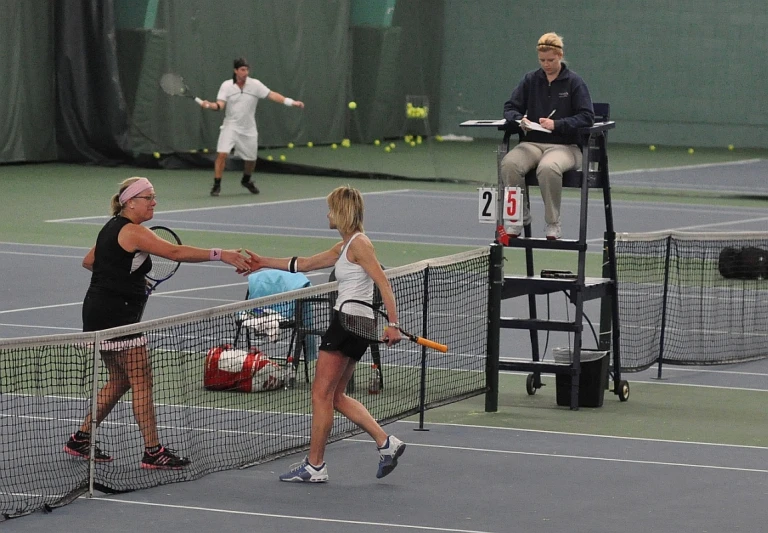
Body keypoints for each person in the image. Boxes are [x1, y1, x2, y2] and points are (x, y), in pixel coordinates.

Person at [64, 177, 251, 470]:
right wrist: (221, 254)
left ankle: (81, 438)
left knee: (121, 379)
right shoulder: (133, 232)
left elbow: (90, 261)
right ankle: (153, 451)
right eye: (148, 197)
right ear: (130, 202)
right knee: (142, 380)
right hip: (117, 316)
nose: (154, 202)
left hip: (98, 311)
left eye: (154, 197)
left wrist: (127, 281)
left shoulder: (111, 228)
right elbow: (175, 253)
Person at [244, 186, 405, 483]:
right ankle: (386, 444)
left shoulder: (359, 245)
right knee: (337, 396)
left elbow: (384, 283)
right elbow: (302, 264)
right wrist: (262, 262)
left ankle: (315, 465)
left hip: (347, 323)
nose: (327, 214)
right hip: (360, 327)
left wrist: (393, 324)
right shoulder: (344, 247)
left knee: (320, 394)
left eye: (331, 208)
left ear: (341, 212)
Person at [500, 32, 594, 240]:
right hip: (532, 143)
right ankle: (516, 219)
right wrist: (519, 120)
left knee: (548, 167)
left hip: (565, 147)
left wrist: (558, 124)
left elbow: (587, 116)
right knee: (509, 164)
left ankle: (553, 223)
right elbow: (510, 107)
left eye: (550, 60)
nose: (546, 64)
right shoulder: (530, 80)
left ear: (560, 56)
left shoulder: (575, 83)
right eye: (542, 60)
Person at [199, 57, 305, 197]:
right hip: (230, 126)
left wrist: (291, 102)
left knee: (251, 159)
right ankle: (217, 185)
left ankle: (246, 180)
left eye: (247, 69)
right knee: (222, 154)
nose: (245, 72)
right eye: (242, 69)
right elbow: (220, 105)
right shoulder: (226, 86)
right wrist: (210, 105)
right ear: (235, 70)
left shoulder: (255, 85)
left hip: (249, 128)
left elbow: (272, 95)